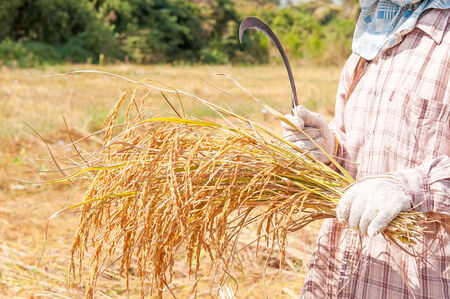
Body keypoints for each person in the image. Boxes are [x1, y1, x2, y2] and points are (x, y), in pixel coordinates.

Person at [282, 1, 449, 298]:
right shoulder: (373, 34)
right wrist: (329, 148)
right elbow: (356, 146)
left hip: (423, 281)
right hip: (343, 275)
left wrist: (411, 187)